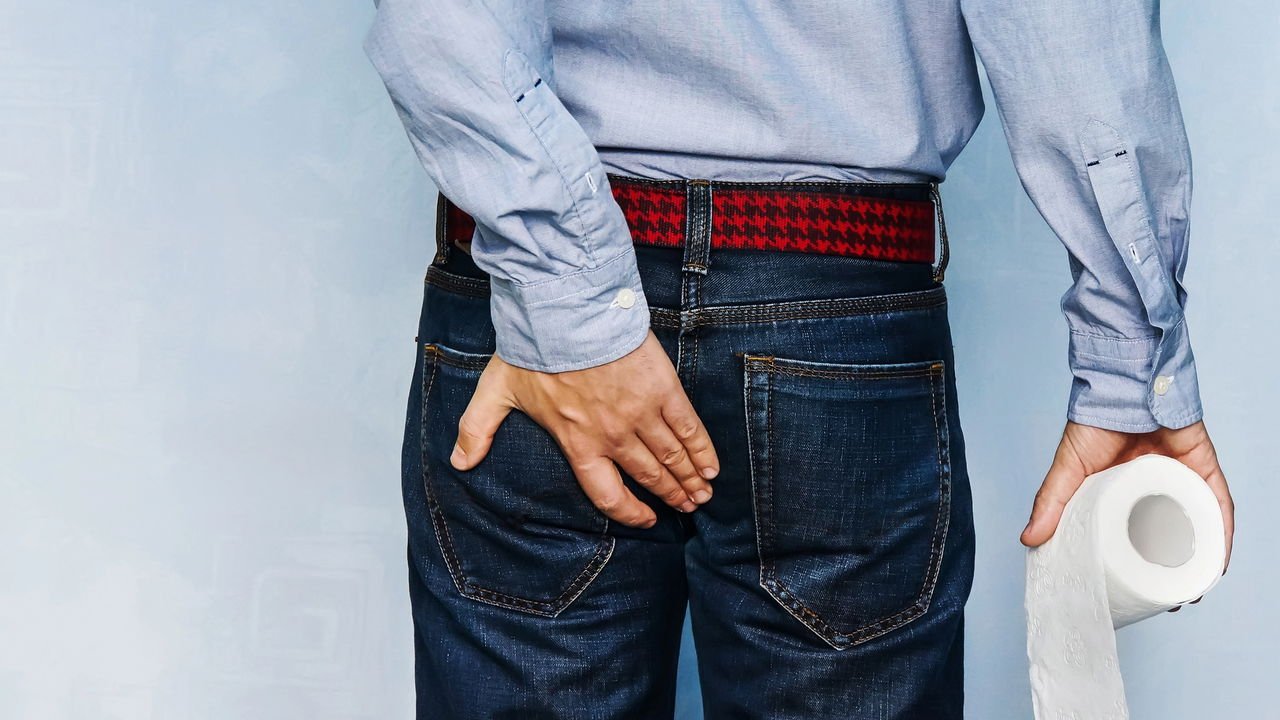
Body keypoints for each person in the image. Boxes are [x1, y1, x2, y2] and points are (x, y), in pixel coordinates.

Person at [362, 1, 1235, 717]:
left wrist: (569, 297)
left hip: (527, 315)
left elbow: (443, 21)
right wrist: (1135, 362)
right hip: (836, 307)